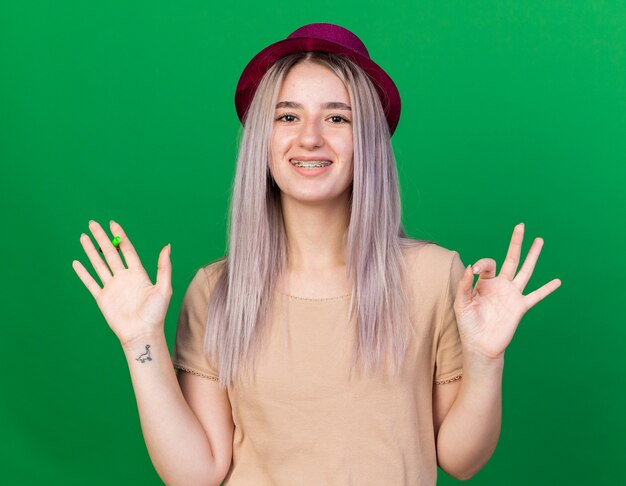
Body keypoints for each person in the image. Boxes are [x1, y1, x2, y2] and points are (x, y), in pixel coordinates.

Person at [72, 23, 562, 485]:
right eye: (287, 116)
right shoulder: (216, 290)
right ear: (262, 141)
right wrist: (141, 342)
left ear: (367, 139)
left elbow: (461, 460)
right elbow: (195, 473)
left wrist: (485, 359)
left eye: (337, 117)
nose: (310, 137)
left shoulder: (435, 276)